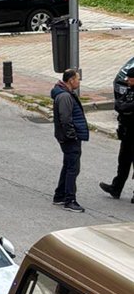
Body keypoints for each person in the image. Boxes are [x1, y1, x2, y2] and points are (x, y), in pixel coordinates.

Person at [51, 68, 89, 211]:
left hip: (67, 137)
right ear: (71, 80)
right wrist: (72, 135)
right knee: (73, 168)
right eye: (77, 78)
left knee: (68, 165)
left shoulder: (65, 94)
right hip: (70, 138)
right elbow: (66, 119)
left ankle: (59, 195)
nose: (79, 81)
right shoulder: (65, 97)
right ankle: (69, 200)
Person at [100, 67, 134, 201]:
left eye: (130, 78)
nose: (127, 81)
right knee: (123, 162)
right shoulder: (130, 91)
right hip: (127, 133)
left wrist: (125, 107)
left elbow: (127, 107)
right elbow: (119, 104)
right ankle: (116, 188)